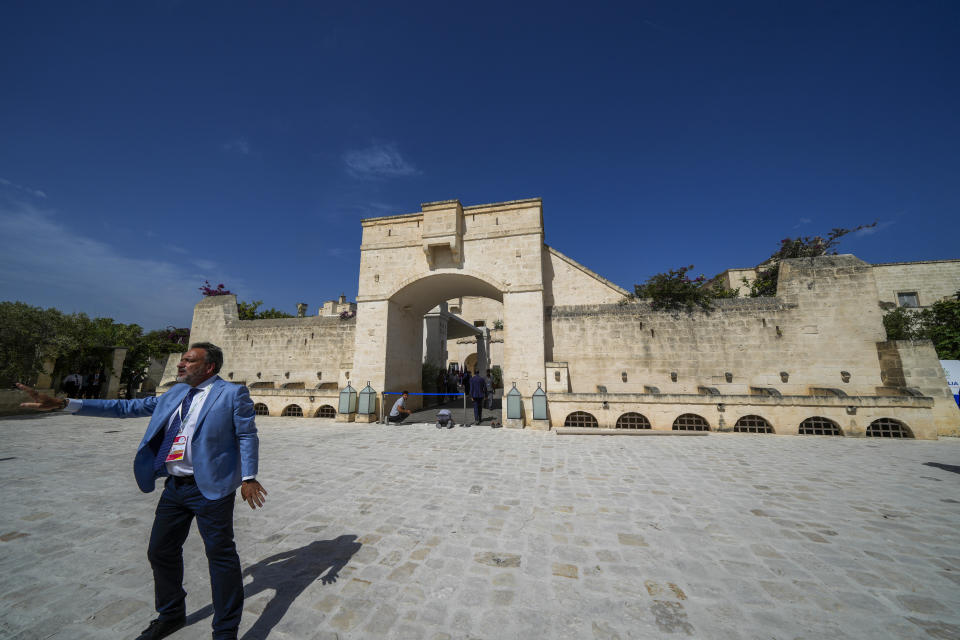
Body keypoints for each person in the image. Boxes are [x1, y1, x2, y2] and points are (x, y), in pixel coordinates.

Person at [17, 342, 267, 640]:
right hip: (174, 487)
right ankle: (171, 614)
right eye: (182, 359)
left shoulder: (230, 393)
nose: (180, 364)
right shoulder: (174, 392)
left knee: (221, 558)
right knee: (160, 551)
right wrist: (64, 404)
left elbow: (247, 434)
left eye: (189, 360)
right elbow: (125, 407)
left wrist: (249, 476)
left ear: (209, 367)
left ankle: (225, 632)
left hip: (210, 490)